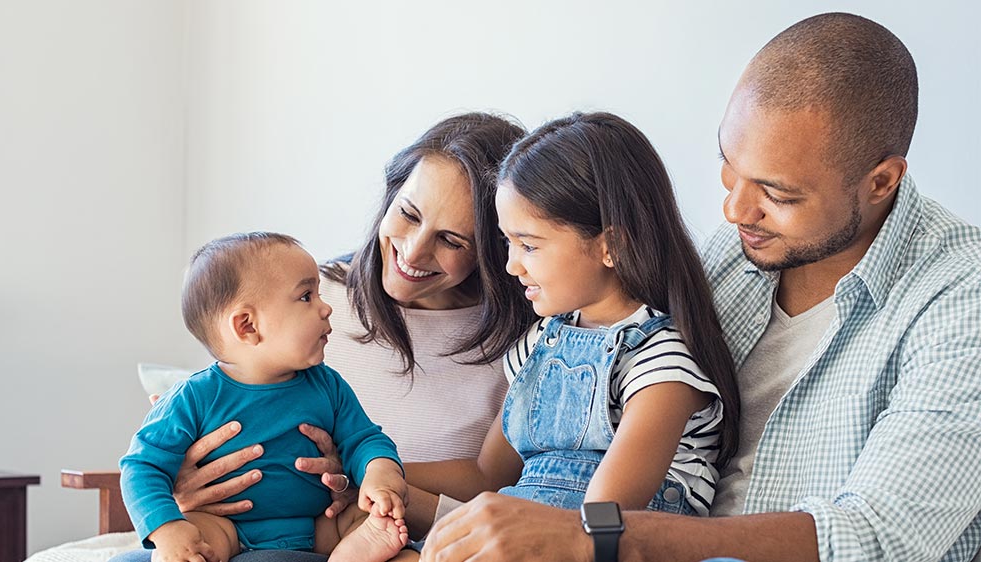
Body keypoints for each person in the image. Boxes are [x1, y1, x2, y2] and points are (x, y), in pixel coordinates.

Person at [419, 13, 981, 562]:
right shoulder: (735, 252)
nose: (734, 209)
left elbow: (877, 537)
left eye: (777, 194)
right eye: (728, 167)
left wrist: (599, 536)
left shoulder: (959, 296)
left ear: (882, 181)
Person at [111, 113, 534, 562]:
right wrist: (178, 495)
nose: (412, 252)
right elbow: (151, 462)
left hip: (358, 524)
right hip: (227, 525)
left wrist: (368, 479)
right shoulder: (300, 294)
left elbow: (489, 484)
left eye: (452, 240)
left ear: (495, 246)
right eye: (408, 214)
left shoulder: (528, 343)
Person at [403, 112, 740, 522]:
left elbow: (603, 519)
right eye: (507, 241)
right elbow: (486, 475)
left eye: (528, 246)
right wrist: (378, 470)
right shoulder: (540, 343)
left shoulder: (660, 362)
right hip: (525, 528)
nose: (511, 265)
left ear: (610, 245)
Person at [120, 232, 409, 562]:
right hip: (226, 527)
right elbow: (141, 467)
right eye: (306, 296)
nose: (326, 307)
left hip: (319, 525)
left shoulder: (328, 385)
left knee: (374, 527)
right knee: (188, 544)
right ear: (247, 326)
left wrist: (380, 473)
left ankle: (352, 551)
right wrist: (167, 528)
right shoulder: (193, 397)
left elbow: (364, 439)